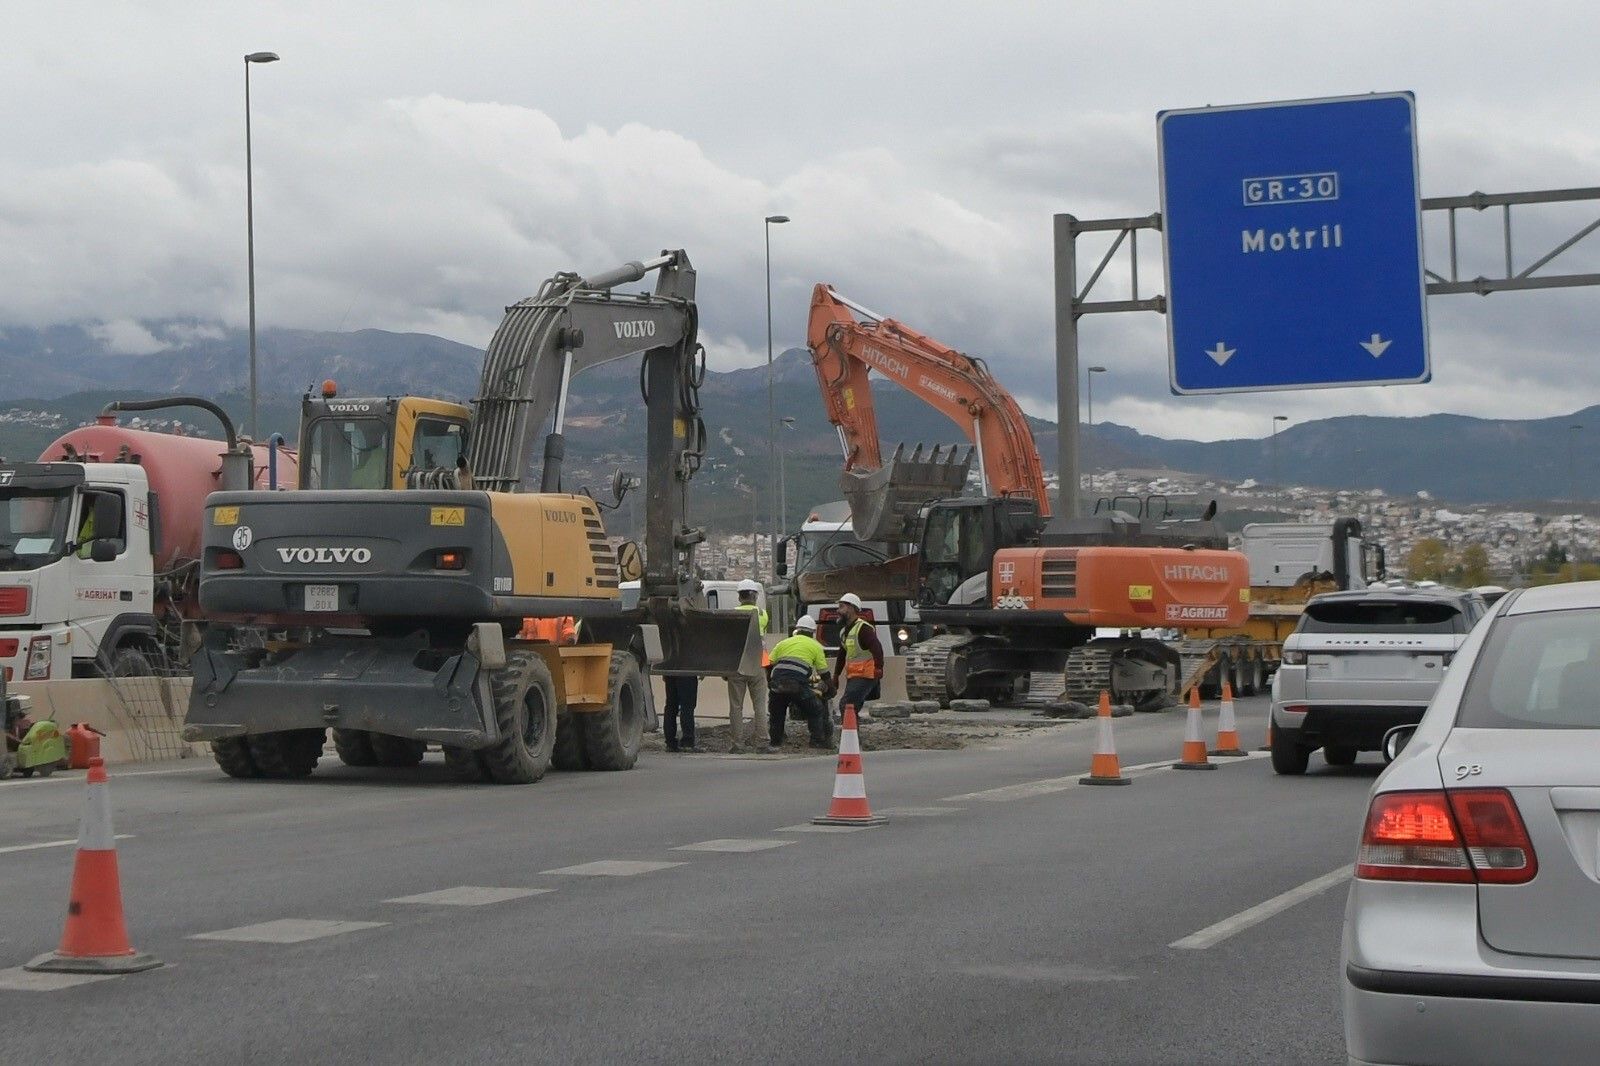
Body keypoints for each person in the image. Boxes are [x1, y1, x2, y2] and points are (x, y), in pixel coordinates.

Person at [767, 615, 833, 752]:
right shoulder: (815, 646)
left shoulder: (783, 643)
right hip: (797, 685)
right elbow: (824, 672)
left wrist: (770, 681)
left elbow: (769, 664)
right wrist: (831, 689)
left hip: (777, 683)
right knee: (815, 710)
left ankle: (775, 742)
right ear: (813, 632)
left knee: (777, 714)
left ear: (796, 630)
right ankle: (817, 741)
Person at [724, 578, 769, 753]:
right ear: (755, 595)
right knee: (759, 706)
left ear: (739, 597)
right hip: (758, 663)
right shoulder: (763, 614)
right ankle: (762, 742)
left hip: (737, 664)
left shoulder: (732, 614)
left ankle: (737, 744)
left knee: (736, 706)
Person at [833, 592, 884, 722]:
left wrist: (879, 667)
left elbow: (877, 648)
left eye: (841, 607)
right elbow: (842, 654)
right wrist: (836, 675)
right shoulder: (844, 632)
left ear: (851, 608)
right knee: (852, 707)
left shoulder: (863, 629)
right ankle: (854, 738)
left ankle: (850, 737)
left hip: (866, 674)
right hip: (854, 675)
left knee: (847, 705)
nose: (838, 611)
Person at [663, 674, 701, 753]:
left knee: (671, 706)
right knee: (687, 706)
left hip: (670, 671)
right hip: (687, 670)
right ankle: (687, 742)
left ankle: (670, 743)